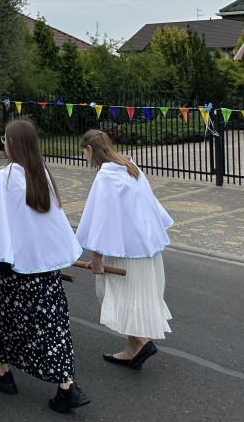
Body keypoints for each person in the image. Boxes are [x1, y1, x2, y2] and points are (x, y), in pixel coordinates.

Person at [0, 119, 89, 414]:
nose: (3, 143)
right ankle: (66, 387)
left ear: (12, 143)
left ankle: (3, 373)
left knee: (1, 319)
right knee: (51, 325)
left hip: (13, 265)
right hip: (43, 266)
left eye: (5, 139)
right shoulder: (42, 174)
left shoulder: (7, 176)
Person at [77, 129, 173, 369]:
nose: (85, 158)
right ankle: (131, 350)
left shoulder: (107, 176)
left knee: (116, 293)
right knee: (134, 295)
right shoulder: (131, 167)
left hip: (123, 250)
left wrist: (96, 258)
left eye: (84, 153)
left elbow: (102, 218)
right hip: (145, 246)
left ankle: (142, 341)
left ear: (90, 150)